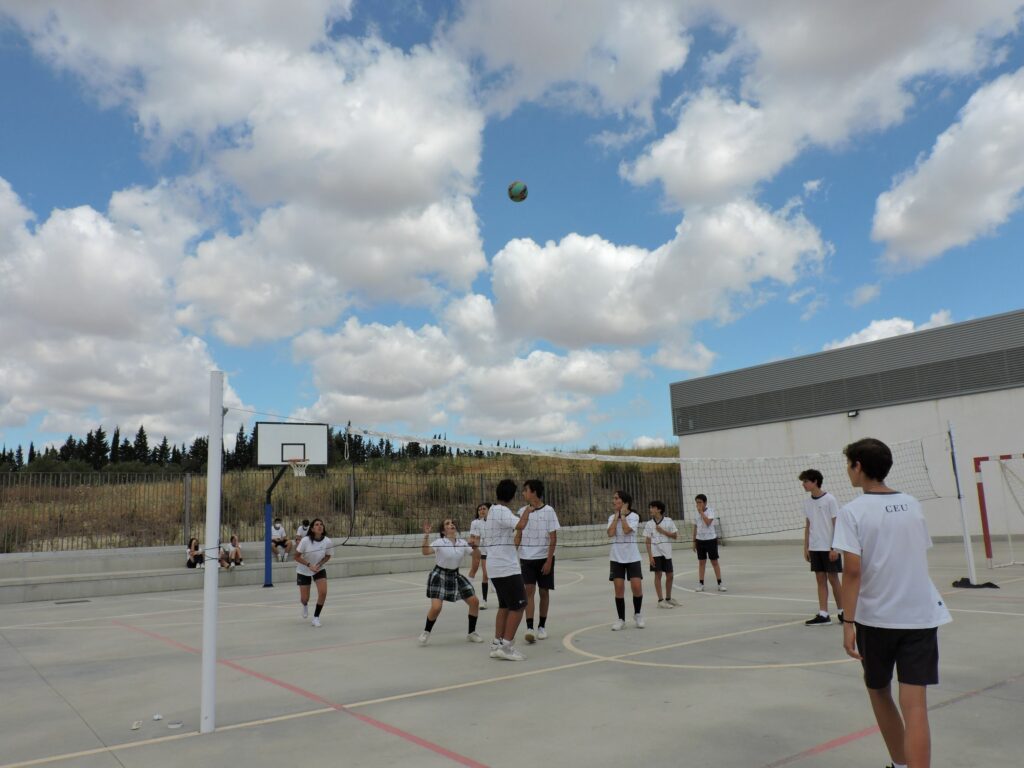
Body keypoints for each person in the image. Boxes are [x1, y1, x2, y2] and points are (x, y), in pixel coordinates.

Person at [833, 438, 951, 768]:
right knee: (916, 706)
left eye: (849, 464)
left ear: (858, 466)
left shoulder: (852, 511)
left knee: (880, 691)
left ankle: (900, 763)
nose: (848, 471)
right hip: (921, 616)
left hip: (878, 619)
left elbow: (853, 571)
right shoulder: (912, 504)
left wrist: (847, 622)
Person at [482, 478, 533, 661]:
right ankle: (507, 646)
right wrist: (528, 509)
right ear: (512, 496)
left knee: (505, 605)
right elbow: (520, 525)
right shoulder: (502, 511)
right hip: (505, 567)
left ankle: (497, 643)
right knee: (519, 605)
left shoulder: (493, 511)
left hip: (496, 565)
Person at [418, 519, 483, 645]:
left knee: (474, 602)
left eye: (452, 523)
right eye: (447, 524)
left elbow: (477, 556)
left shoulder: (462, 543)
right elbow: (425, 552)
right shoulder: (440, 542)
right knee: (436, 608)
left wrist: (476, 547)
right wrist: (426, 535)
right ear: (443, 531)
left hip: (455, 575)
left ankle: (471, 633)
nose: (451, 524)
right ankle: (426, 631)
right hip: (439, 575)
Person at [517, 479, 560, 643]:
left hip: (543, 558)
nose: (523, 493)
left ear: (533, 492)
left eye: (525, 490)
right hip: (526, 558)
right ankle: (529, 627)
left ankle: (542, 626)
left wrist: (549, 561)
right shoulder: (522, 511)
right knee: (528, 591)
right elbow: (518, 534)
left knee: (544, 592)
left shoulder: (549, 511)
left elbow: (553, 538)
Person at [800, 469, 843, 626]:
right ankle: (823, 614)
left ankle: (843, 611)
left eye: (805, 481)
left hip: (829, 547)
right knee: (820, 579)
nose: (803, 485)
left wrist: (835, 548)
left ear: (815, 481)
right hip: (815, 547)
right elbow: (808, 525)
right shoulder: (807, 502)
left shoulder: (830, 500)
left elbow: (836, 524)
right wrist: (806, 547)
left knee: (833, 579)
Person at [607, 490, 644, 630]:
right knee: (619, 589)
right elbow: (610, 533)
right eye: (614, 498)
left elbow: (627, 530)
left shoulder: (634, 516)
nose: (613, 501)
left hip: (632, 557)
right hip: (616, 558)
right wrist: (617, 517)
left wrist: (622, 515)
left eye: (616, 498)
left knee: (636, 587)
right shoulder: (612, 517)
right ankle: (621, 619)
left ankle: (638, 614)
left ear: (624, 502)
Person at [294, 518, 332, 627]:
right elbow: (296, 557)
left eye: (321, 524)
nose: (319, 526)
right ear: (312, 528)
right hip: (304, 569)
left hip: (319, 568)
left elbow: (328, 556)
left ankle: (316, 618)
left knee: (323, 592)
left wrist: (319, 565)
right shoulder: (305, 540)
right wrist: (309, 565)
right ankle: (305, 605)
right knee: (305, 598)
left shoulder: (327, 541)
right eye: (316, 524)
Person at [643, 500, 679, 608]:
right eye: (650, 507)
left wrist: (662, 531)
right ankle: (660, 600)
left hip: (667, 553)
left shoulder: (668, 521)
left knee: (670, 576)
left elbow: (675, 536)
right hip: (655, 553)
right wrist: (650, 557)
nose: (650, 510)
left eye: (653, 507)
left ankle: (668, 598)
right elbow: (647, 541)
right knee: (658, 575)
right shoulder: (649, 524)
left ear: (659, 509)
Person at [692, 494, 725, 592]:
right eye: (697, 502)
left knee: (714, 561)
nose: (698, 504)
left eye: (700, 502)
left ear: (705, 503)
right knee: (701, 562)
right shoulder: (695, 514)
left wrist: (701, 512)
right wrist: (694, 541)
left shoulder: (710, 511)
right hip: (700, 540)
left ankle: (720, 583)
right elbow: (695, 527)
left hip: (711, 539)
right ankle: (701, 583)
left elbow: (708, 522)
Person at [467, 503, 490, 609]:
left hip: (496, 551)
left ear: (489, 510)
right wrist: (472, 544)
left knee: (494, 575)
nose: (481, 510)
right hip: (484, 551)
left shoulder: (494, 522)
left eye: (484, 509)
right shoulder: (477, 523)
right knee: (484, 574)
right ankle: (484, 600)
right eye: (479, 509)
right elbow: (475, 538)